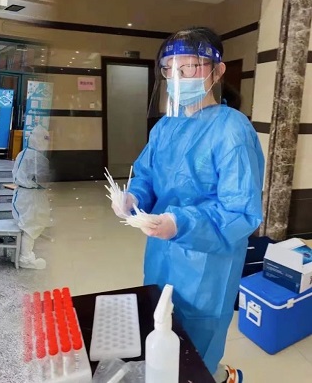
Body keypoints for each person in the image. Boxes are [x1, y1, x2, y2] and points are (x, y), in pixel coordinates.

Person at [112, 27, 264, 383]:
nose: (178, 77)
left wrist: (180, 223)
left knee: (196, 347)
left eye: (189, 67)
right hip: (162, 253)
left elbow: (240, 212)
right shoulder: (165, 127)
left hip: (207, 263)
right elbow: (147, 175)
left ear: (218, 71)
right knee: (161, 323)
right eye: (170, 69)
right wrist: (133, 198)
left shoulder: (232, 130)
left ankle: (218, 375)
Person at [12, 125, 51, 270]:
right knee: (31, 226)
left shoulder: (22, 153)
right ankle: (25, 258)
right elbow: (43, 180)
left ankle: (21, 254)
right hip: (32, 197)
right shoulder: (38, 158)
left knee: (26, 225)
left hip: (22, 195)